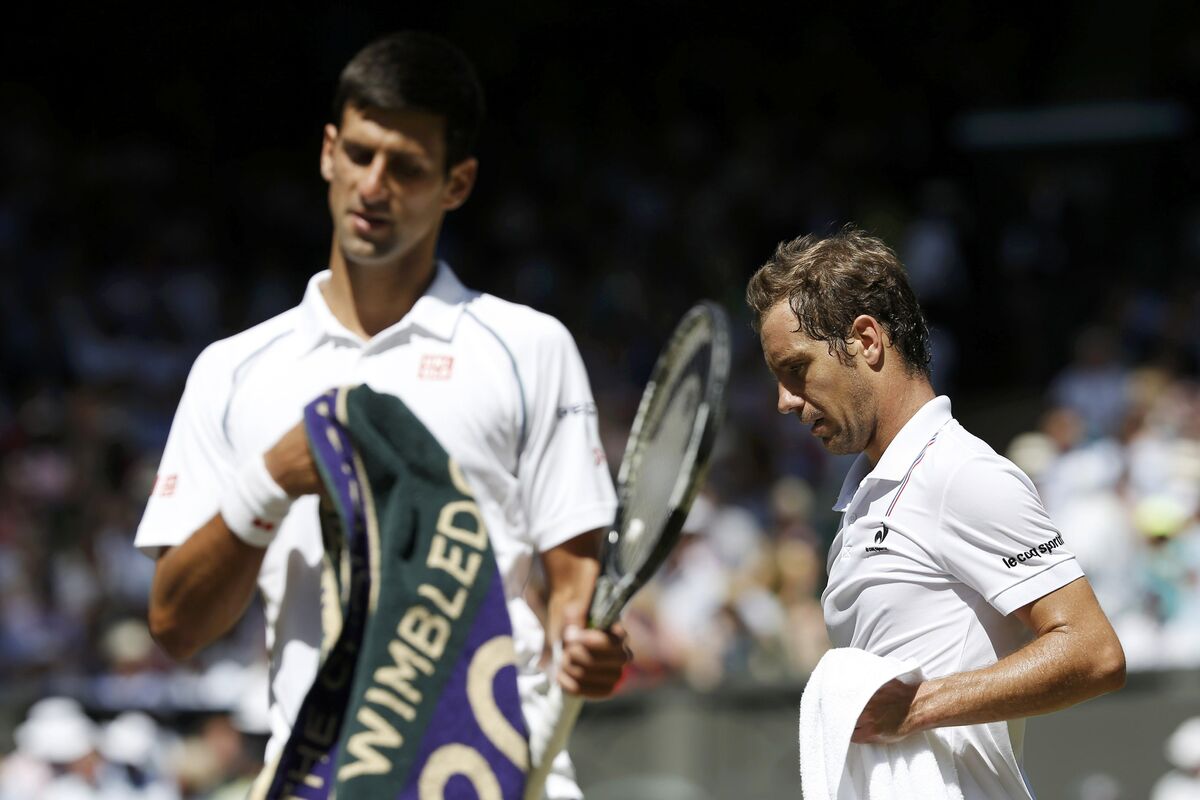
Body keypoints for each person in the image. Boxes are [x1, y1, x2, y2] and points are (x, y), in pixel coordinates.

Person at [136, 31, 629, 799]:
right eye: (361, 154)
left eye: (407, 167)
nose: (374, 185)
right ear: (328, 152)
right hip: (320, 781)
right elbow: (175, 624)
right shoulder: (231, 371)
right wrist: (271, 481)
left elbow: (574, 585)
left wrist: (588, 644)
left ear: (457, 184)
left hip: (502, 775)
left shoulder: (529, 347)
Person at [746, 228, 1126, 799]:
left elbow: (1093, 651)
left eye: (796, 368)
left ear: (866, 340)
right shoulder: (865, 499)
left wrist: (919, 706)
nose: (784, 400)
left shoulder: (960, 473)